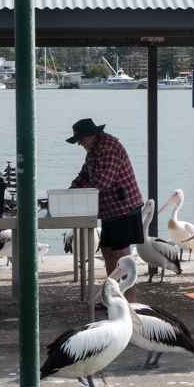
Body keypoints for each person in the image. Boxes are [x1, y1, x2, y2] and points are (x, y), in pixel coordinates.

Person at [67, 118, 144, 298]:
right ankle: (114, 297)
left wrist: (76, 195)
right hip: (110, 211)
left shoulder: (109, 148)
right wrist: (69, 191)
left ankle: (129, 303)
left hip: (124, 208)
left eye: (80, 140)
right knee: (108, 253)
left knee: (123, 259)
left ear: (91, 136)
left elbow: (103, 182)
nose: (79, 144)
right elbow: (84, 176)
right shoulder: (93, 151)